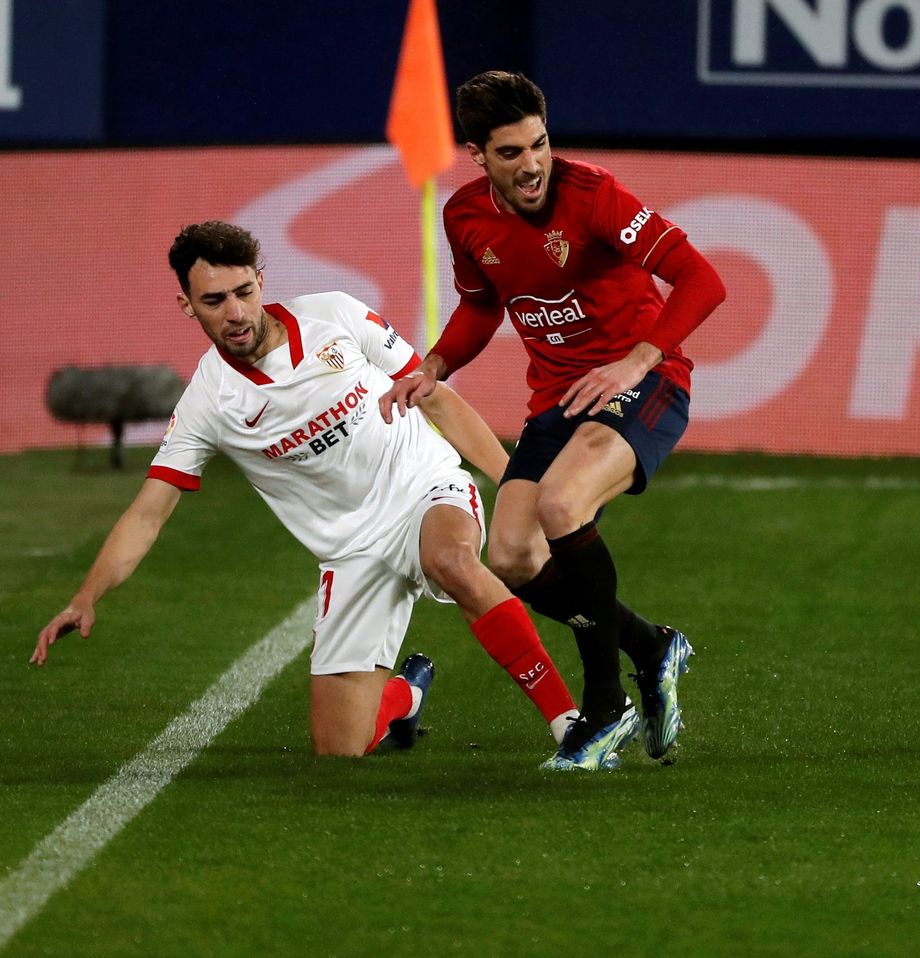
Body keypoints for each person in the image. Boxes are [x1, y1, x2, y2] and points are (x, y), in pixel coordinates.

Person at [31, 221, 582, 757]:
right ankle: (406, 696)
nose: (235, 312)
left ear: (261, 281)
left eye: (244, 291)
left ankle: (569, 723)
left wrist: (514, 490)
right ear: (187, 306)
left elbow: (436, 398)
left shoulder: (335, 316)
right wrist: (86, 596)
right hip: (350, 552)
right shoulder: (208, 401)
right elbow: (148, 513)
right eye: (215, 300)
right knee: (340, 747)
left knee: (452, 561)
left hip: (423, 487)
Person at [381, 70, 727, 771]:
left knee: (561, 503)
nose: (532, 163)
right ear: (478, 156)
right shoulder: (466, 217)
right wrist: (437, 365)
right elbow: (483, 306)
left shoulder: (595, 194)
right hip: (561, 402)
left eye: (539, 144)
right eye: (510, 153)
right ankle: (651, 646)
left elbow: (702, 278)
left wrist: (638, 359)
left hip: (647, 384)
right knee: (509, 557)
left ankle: (605, 711)